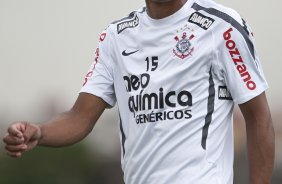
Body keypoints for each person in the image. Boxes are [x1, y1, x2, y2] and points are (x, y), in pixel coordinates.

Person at [3, 0, 274, 183]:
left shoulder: (221, 27)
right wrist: (40, 132)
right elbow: (80, 117)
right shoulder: (117, 37)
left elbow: (259, 117)